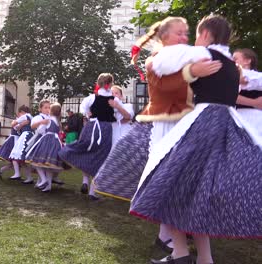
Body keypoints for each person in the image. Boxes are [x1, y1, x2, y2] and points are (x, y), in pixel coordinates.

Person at [130, 15, 261, 264]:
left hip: (204, 123)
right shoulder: (234, 66)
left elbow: (160, 63)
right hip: (227, 124)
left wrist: (184, 63)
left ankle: (180, 253)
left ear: (205, 35)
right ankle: (204, 258)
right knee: (197, 192)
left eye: (197, 34)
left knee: (172, 182)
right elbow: (251, 79)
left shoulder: (202, 55)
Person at [93, 16, 221, 254]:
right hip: (167, 127)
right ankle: (168, 237)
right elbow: (167, 86)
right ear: (164, 37)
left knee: (176, 181)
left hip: (184, 125)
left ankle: (171, 235)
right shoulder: (156, 60)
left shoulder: (184, 55)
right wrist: (194, 69)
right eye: (179, 33)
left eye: (186, 33)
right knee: (168, 179)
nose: (185, 37)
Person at [59, 73, 120, 199]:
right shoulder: (114, 100)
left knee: (84, 149)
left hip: (91, 127)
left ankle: (83, 179)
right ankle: (92, 191)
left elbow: (82, 108)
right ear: (109, 84)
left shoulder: (92, 97)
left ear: (99, 84)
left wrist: (87, 114)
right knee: (100, 157)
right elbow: (118, 114)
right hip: (105, 129)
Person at [25, 102, 64, 192]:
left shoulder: (49, 119)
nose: (47, 109)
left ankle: (43, 180)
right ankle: (47, 185)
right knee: (48, 165)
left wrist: (43, 124)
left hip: (46, 140)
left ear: (51, 111)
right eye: (45, 107)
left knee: (36, 160)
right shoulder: (58, 121)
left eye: (49, 108)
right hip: (55, 142)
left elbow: (40, 129)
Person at [233, 48, 262, 137]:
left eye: (235, 58)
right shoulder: (233, 76)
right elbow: (230, 95)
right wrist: (254, 102)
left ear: (247, 61)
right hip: (240, 116)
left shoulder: (255, 76)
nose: (231, 61)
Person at [8, 105, 34, 183]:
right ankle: (29, 178)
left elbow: (13, 124)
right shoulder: (31, 117)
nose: (19, 115)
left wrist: (17, 123)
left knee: (16, 155)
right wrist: (22, 125)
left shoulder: (25, 116)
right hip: (31, 136)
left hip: (25, 136)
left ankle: (18, 174)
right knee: (22, 159)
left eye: (19, 113)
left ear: (22, 112)